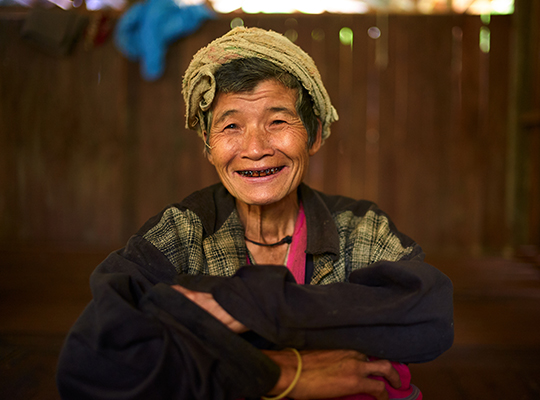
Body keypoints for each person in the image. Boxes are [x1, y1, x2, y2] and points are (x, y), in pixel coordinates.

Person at [56, 27, 453, 400]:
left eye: (278, 121)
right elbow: (90, 360)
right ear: (208, 148)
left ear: (313, 136)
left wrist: (255, 306)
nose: (256, 147)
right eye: (231, 127)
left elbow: (428, 316)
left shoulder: (357, 228)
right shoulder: (183, 232)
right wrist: (279, 372)